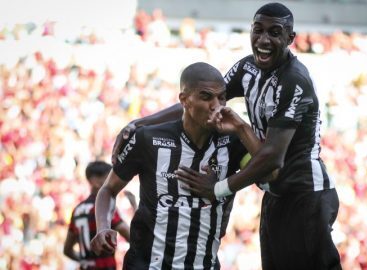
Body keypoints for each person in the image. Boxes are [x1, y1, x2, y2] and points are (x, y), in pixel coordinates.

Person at [113, 3, 341, 269]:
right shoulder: (248, 68)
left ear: (290, 39)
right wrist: (139, 123)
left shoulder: (294, 80)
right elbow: (201, 99)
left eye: (274, 33)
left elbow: (273, 159)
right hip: (276, 195)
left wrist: (218, 189)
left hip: (306, 195)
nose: (264, 39)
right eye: (258, 30)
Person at [91, 62, 264, 269]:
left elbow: (269, 172)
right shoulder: (148, 139)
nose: (216, 105)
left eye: (222, 97)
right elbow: (108, 189)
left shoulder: (233, 142)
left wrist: (241, 128)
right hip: (146, 264)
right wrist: (102, 227)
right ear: (184, 100)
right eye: (206, 97)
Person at [64, 161, 133, 270]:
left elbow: (67, 250)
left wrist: (86, 261)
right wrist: (135, 207)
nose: (112, 183)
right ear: (95, 182)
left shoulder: (77, 210)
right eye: (108, 179)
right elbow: (131, 237)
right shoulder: (105, 209)